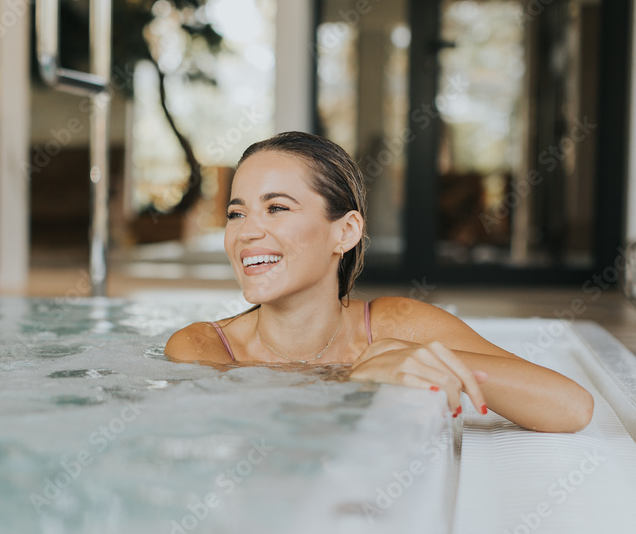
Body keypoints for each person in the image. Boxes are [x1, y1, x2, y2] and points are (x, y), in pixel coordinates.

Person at [164, 131, 593, 434]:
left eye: (276, 208)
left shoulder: (396, 325)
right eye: (236, 214)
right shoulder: (202, 348)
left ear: (346, 231)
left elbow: (571, 407)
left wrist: (408, 355)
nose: (246, 233)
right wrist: (358, 381)